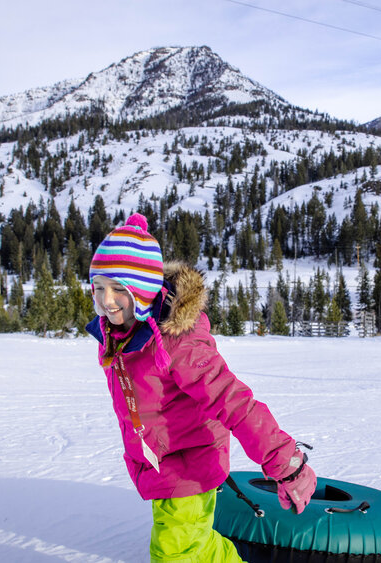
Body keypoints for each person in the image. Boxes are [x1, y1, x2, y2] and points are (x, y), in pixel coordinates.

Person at [85, 213, 316, 562]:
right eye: (99, 287)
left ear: (144, 289)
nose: (108, 300)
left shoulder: (178, 343)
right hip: (159, 463)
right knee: (199, 545)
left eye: (120, 289)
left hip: (188, 464)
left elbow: (233, 400)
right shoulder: (119, 333)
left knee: (174, 553)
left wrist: (283, 460)